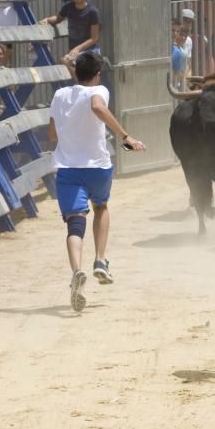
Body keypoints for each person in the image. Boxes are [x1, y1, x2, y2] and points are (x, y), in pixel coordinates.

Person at [47, 52, 145, 312]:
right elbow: (97, 107)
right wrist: (125, 136)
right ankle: (100, 260)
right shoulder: (99, 90)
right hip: (98, 166)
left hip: (68, 168)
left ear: (76, 71)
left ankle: (77, 271)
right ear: (97, 74)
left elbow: (51, 133)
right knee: (100, 207)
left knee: (74, 222)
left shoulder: (59, 96)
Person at [41, 0, 101, 75]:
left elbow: (94, 38)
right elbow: (57, 18)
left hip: (90, 51)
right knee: (65, 61)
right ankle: (83, 85)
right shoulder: (68, 7)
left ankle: (83, 86)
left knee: (66, 60)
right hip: (74, 53)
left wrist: (77, 49)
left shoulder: (92, 12)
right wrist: (47, 20)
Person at [171, 20, 189, 91]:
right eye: (172, 30)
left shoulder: (177, 52)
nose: (175, 33)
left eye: (177, 31)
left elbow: (177, 77)